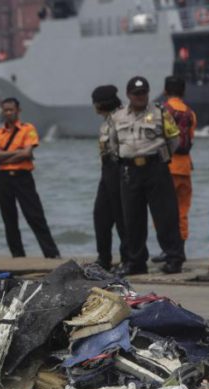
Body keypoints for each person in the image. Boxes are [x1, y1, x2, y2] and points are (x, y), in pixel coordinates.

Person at [108, 76, 185, 275]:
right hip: (130, 170)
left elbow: (174, 139)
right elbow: (113, 143)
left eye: (143, 93)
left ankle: (174, 258)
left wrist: (161, 158)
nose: (140, 97)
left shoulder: (160, 113)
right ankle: (136, 262)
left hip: (155, 168)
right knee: (132, 219)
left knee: (165, 216)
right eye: (136, 94)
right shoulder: (117, 117)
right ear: (128, 95)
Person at [0, 97, 60, 258]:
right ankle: (18, 255)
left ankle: (51, 254)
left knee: (35, 216)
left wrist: (5, 157)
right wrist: (17, 154)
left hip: (23, 177)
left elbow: (28, 152)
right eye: (5, 110)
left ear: (18, 111)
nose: (8, 113)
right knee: (9, 219)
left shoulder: (28, 129)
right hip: (4, 178)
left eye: (11, 110)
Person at [152, 75, 197, 263]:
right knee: (182, 210)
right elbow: (191, 139)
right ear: (184, 91)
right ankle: (181, 249)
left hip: (167, 167)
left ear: (164, 91)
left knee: (162, 211)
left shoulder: (162, 111)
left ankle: (168, 249)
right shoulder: (190, 112)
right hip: (185, 168)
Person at [91, 85, 128, 271]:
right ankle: (103, 259)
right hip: (106, 171)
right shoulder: (107, 121)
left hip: (119, 169)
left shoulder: (122, 119)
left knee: (122, 217)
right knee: (101, 216)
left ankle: (127, 259)